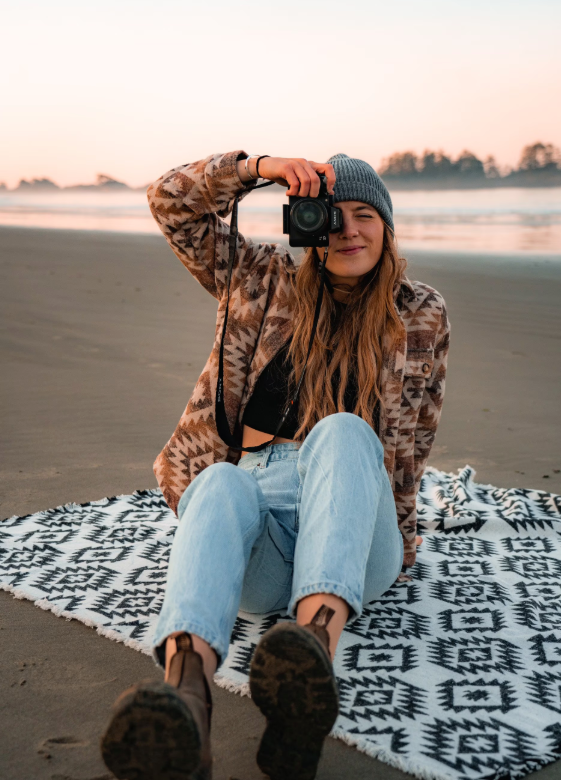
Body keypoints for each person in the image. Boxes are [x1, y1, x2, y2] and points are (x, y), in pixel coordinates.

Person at [100, 152, 450, 780]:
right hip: (263, 527)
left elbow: (416, 436)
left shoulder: (420, 312)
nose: (347, 230)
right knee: (219, 480)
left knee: (341, 431)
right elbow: (171, 202)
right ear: (303, 223)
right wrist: (259, 167)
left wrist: (399, 535)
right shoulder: (260, 279)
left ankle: (310, 657)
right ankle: (186, 700)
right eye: (329, 215)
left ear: (387, 228)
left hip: (353, 534)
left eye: (364, 215)